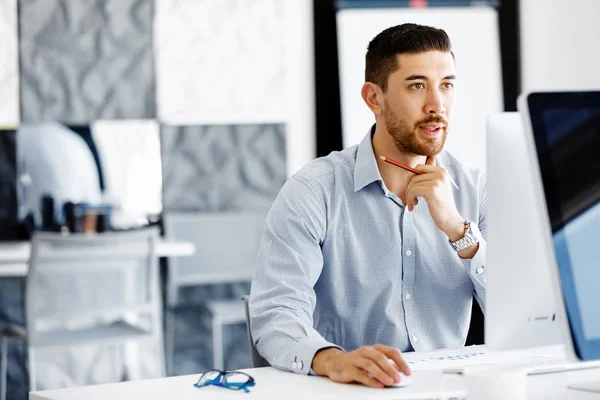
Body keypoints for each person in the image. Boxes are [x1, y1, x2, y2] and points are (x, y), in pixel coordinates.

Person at [249, 23, 486, 388]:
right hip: (346, 390)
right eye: (417, 86)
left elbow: (527, 316)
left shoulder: (476, 188)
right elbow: (275, 312)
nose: (437, 105)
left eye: (447, 86)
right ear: (374, 98)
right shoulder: (312, 192)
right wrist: (332, 361)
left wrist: (459, 231)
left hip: (450, 389)